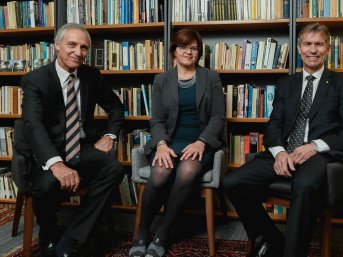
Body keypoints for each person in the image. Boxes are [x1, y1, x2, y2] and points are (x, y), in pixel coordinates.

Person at [221, 23, 343, 257]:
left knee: (305, 184)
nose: (313, 50)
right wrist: (278, 152)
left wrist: (314, 146)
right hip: (285, 151)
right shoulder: (286, 83)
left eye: (319, 44)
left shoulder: (341, 83)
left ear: (327, 48)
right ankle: (273, 238)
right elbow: (274, 124)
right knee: (233, 182)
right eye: (307, 44)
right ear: (299, 48)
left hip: (318, 155)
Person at [20, 23, 125, 257]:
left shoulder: (91, 76)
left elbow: (117, 108)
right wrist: (56, 164)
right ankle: (48, 233)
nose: (78, 51)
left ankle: (72, 236)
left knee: (114, 169)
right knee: (46, 185)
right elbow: (33, 126)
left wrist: (109, 136)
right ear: (57, 46)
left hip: (80, 148)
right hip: (47, 152)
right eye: (72, 45)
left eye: (84, 47)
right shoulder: (35, 80)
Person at [129, 28, 226, 257]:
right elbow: (157, 119)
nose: (188, 52)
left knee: (187, 171)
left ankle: (163, 234)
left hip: (200, 141)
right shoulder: (162, 79)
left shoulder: (210, 77)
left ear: (199, 52)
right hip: (170, 141)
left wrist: (202, 141)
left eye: (193, 48)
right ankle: (142, 233)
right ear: (174, 50)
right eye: (183, 46)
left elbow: (218, 117)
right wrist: (161, 144)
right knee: (161, 172)